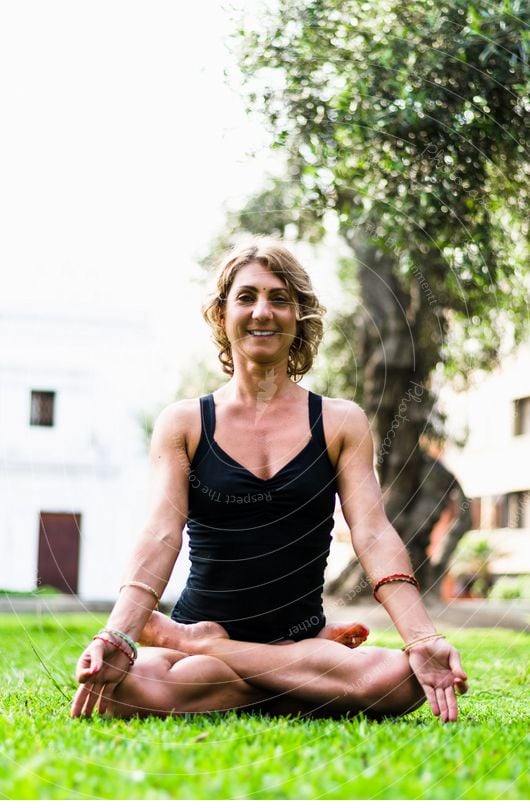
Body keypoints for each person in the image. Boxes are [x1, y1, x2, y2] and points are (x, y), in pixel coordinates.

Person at [71, 239, 468, 723]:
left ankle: (216, 650)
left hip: (264, 641)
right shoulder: (185, 423)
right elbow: (160, 533)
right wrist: (117, 635)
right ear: (221, 314)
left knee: (404, 678)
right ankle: (296, 678)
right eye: (246, 297)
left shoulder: (341, 422)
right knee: (121, 688)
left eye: (280, 298)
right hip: (233, 654)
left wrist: (422, 637)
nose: (263, 311)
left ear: (298, 315)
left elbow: (372, 531)